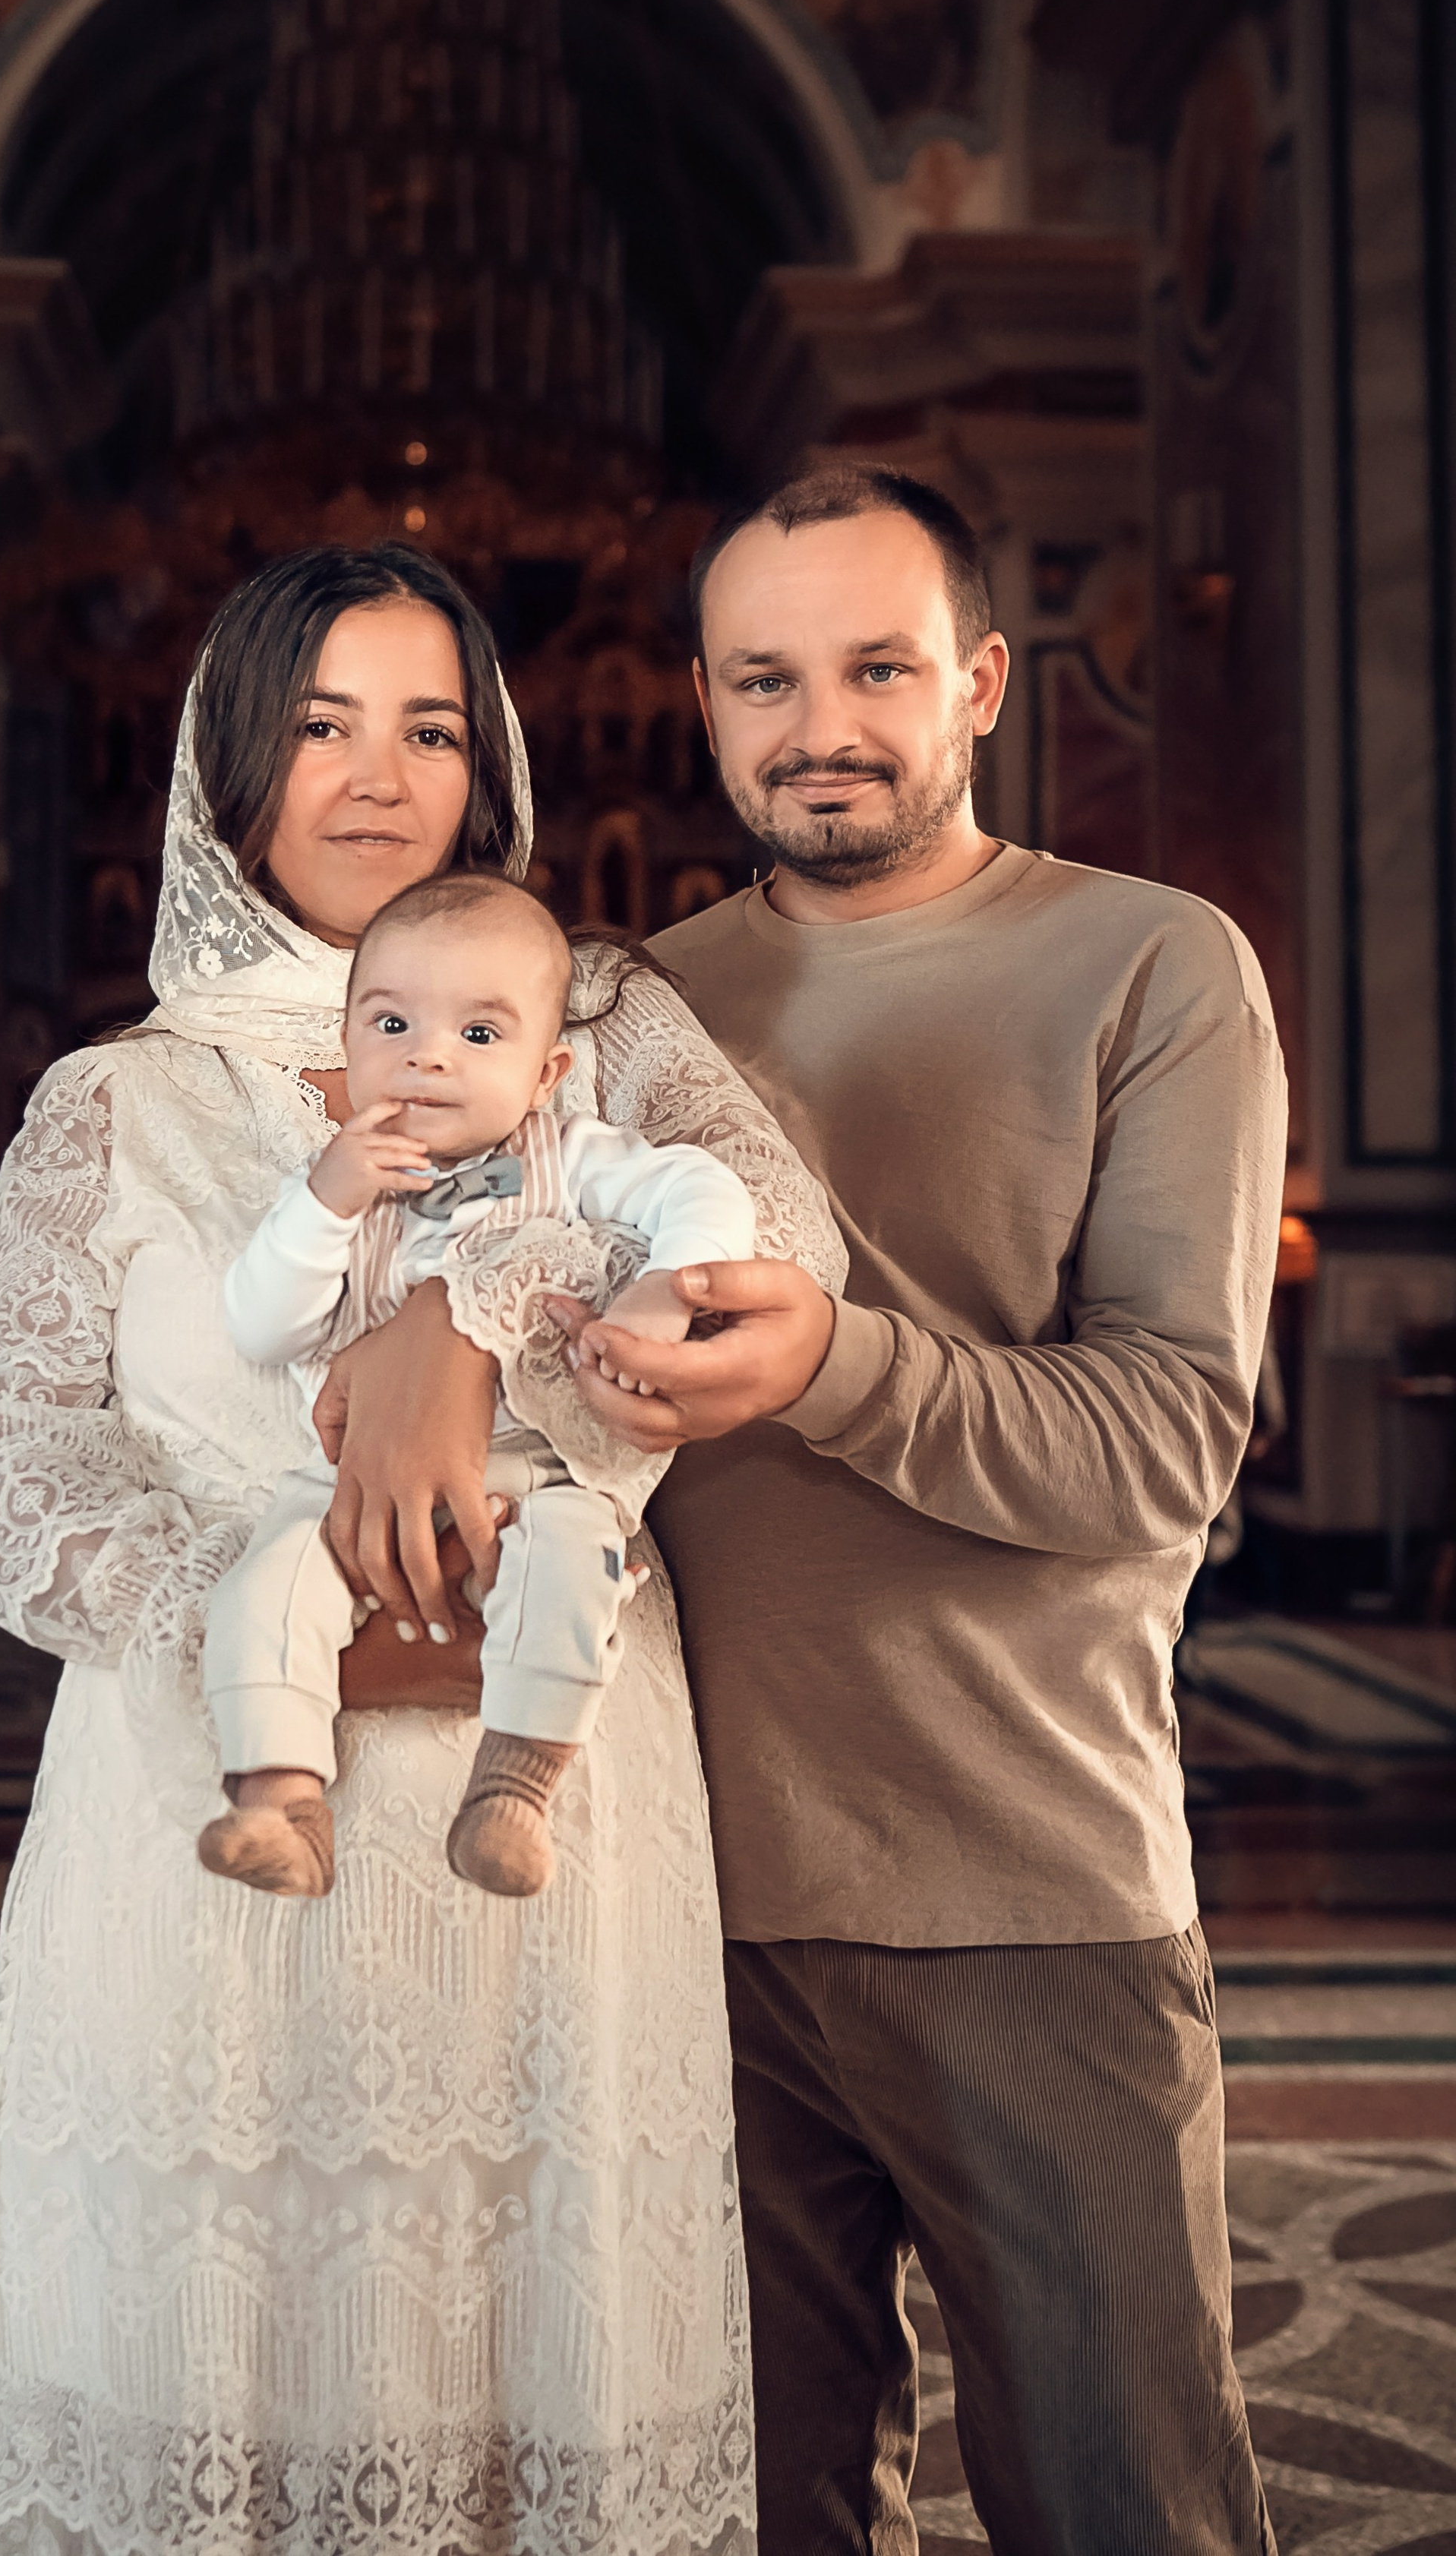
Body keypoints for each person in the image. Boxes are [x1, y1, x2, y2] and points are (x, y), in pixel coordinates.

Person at [0, 543, 846, 2556]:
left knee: (523, 2339)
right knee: (218, 2352)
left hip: (551, 1813)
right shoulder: (115, 1101)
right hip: (204, 1815)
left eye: (430, 726)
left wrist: (462, 1318)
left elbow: (779, 1254)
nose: (374, 775)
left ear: (492, 768)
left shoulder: (605, 1033)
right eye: (321, 724)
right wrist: (288, 1616)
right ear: (229, 764)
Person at [545, 463, 1286, 2554]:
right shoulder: (615, 1009)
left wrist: (834, 1365)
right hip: (671, 1895)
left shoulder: (1156, 965)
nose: (824, 723)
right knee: (754, 2514)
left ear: (978, 681)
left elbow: (1163, 1444)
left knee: (1126, 2505)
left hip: (1028, 1889)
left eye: (879, 667)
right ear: (703, 705)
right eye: (767, 679)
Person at [201, 870, 762, 1900]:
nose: (427, 1054)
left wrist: (662, 1292)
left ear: (546, 1073)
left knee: (573, 1568)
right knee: (266, 1589)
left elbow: (704, 1187)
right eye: (394, 1021)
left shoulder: (571, 1155)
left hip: (535, 1472)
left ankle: (515, 1788)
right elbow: (260, 1323)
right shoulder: (332, 1184)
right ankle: (278, 1796)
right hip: (348, 1485)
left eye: (478, 1036)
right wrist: (326, 1203)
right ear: (348, 1040)